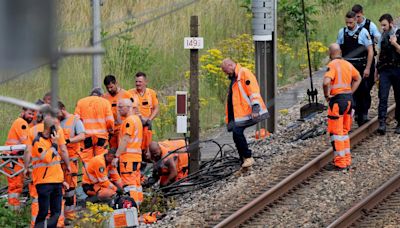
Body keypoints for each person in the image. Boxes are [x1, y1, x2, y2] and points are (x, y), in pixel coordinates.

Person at [220, 58, 269, 168]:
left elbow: (253, 90)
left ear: (230, 65)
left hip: (248, 112)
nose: (225, 73)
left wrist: (255, 108)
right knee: (236, 134)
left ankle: (247, 158)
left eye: (225, 70)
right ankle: (243, 160)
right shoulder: (235, 77)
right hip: (239, 114)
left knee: (237, 133)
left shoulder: (244, 73)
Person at [323, 43, 361, 170]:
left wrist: (327, 95)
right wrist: (350, 91)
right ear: (340, 52)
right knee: (344, 132)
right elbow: (358, 78)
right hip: (349, 101)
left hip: (337, 102)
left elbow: (326, 82)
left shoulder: (332, 65)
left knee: (336, 133)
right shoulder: (347, 64)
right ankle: (346, 160)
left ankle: (340, 163)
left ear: (331, 53)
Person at [30, 117, 71, 227]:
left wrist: (62, 180)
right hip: (44, 182)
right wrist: (54, 145)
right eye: (56, 127)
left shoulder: (52, 141)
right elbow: (46, 158)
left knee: (56, 212)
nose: (59, 130)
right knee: (43, 212)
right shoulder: (38, 141)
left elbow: (56, 164)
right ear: (50, 128)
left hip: (56, 182)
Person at [336, 11, 374, 126]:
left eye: (351, 22)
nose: (349, 25)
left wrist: (368, 68)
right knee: (349, 92)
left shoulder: (363, 32)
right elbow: (338, 50)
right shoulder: (342, 32)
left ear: (356, 20)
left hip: (360, 66)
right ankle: (354, 113)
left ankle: (363, 113)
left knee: (363, 91)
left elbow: (370, 51)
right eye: (347, 22)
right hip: (347, 67)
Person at [57, 101, 85, 220]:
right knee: (58, 189)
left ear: (63, 109)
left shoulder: (75, 120)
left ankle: (70, 216)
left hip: (71, 161)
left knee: (70, 190)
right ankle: (60, 216)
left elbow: (82, 136)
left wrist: (69, 141)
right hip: (58, 162)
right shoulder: (55, 122)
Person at [113, 98, 143, 206]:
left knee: (129, 185)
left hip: (128, 158)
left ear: (129, 107)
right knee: (136, 184)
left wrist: (116, 156)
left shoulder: (129, 121)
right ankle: (138, 207)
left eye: (121, 107)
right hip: (136, 157)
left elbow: (125, 139)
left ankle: (132, 209)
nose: (118, 109)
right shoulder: (137, 120)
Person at [3, 107, 34, 210]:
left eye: (33, 114)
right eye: (29, 113)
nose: (31, 116)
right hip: (12, 159)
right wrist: (29, 164)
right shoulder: (22, 123)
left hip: (13, 158)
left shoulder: (22, 123)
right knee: (15, 186)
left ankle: (14, 210)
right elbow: (27, 146)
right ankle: (13, 211)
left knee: (16, 185)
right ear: (23, 112)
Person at [74, 87, 114, 166]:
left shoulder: (81, 102)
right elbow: (110, 121)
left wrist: (78, 134)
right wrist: (110, 130)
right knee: (101, 159)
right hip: (101, 137)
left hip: (86, 137)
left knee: (87, 161)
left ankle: (87, 177)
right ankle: (100, 176)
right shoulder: (105, 102)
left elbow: (76, 120)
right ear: (101, 95)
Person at [375, 14, 400, 135]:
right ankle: (382, 123)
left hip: (398, 69)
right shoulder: (382, 36)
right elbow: (379, 54)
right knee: (383, 96)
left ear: (391, 23)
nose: (383, 28)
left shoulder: (398, 33)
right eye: (381, 25)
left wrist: (395, 43)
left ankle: (399, 123)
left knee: (398, 96)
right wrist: (376, 72)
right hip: (385, 70)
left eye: (384, 25)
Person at [103, 75, 137, 150]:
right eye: (107, 88)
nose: (109, 89)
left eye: (111, 87)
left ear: (116, 83)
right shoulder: (104, 97)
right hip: (111, 131)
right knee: (112, 151)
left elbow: (134, 110)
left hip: (122, 128)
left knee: (122, 149)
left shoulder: (126, 94)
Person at [129, 72, 159, 152]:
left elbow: (156, 108)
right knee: (136, 145)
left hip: (147, 123)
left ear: (146, 82)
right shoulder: (130, 93)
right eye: (136, 82)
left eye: (140, 82)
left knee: (147, 146)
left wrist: (150, 119)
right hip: (135, 124)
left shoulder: (151, 93)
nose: (137, 84)